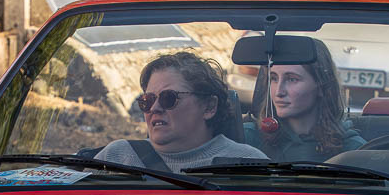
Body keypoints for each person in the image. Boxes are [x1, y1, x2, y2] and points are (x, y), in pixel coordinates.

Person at [96, 52, 265, 172]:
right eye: (147, 100)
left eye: (168, 98)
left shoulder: (250, 165)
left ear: (209, 107)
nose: (154, 108)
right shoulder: (115, 157)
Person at [243, 39, 366, 163]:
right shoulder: (247, 138)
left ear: (321, 86)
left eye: (292, 79)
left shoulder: (352, 150)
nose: (278, 92)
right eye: (274, 78)